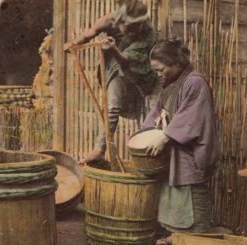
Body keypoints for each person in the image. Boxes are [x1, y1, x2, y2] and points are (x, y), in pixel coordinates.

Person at [142, 39, 220, 245]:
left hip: (189, 156)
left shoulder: (195, 82)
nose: (158, 74)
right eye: (155, 70)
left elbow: (193, 117)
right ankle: (173, 239)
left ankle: (193, 239)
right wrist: (146, 134)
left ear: (176, 63)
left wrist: (165, 135)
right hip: (172, 157)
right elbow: (156, 112)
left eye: (161, 69)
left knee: (193, 215)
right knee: (173, 209)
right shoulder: (170, 84)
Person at [64, 0, 159, 165]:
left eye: (138, 26)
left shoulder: (147, 31)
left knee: (150, 111)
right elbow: (89, 33)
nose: (136, 30)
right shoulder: (109, 20)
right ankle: (100, 149)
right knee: (112, 105)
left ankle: (148, 157)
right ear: (119, 21)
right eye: (131, 27)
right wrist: (74, 43)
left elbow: (130, 63)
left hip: (143, 69)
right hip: (116, 65)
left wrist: (114, 50)